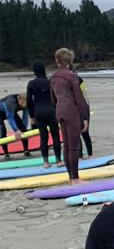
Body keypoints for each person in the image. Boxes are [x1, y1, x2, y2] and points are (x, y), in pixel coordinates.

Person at [50, 48, 89, 181]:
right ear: (70, 60)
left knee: (66, 145)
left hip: (60, 110)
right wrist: (84, 117)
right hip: (71, 111)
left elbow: (53, 98)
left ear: (57, 60)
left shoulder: (53, 77)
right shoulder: (71, 76)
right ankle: (75, 178)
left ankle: (71, 177)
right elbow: (79, 99)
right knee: (74, 146)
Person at [26, 62, 63, 167]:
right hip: (51, 111)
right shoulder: (51, 82)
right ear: (44, 69)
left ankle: (46, 162)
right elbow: (57, 97)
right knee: (55, 136)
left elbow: (29, 101)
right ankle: (58, 160)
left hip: (39, 112)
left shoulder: (31, 83)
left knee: (43, 137)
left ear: (34, 71)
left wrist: (31, 116)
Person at [0, 92, 30, 158]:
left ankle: (26, 150)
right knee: (3, 132)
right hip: (1, 113)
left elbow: (25, 116)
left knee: (23, 128)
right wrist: (16, 130)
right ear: (19, 99)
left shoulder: (26, 102)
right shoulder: (10, 102)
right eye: (22, 105)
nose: (23, 106)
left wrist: (23, 129)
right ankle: (6, 153)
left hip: (12, 111)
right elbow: (10, 117)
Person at [78, 74, 93, 157]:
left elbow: (84, 94)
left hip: (82, 107)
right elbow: (85, 94)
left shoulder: (79, 80)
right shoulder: (79, 79)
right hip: (83, 107)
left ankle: (86, 155)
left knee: (84, 132)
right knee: (83, 133)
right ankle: (87, 155)